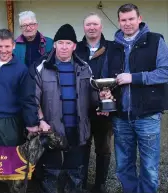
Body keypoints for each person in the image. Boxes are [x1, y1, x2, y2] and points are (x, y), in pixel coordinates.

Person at [34, 24, 109, 193]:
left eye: (68, 43)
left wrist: (102, 100)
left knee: (75, 174)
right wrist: (40, 120)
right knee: (51, 174)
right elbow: (34, 99)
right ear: (54, 44)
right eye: (60, 42)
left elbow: (92, 97)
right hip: (52, 131)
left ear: (74, 46)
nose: (64, 47)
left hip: (77, 130)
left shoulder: (84, 68)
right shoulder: (42, 68)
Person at [106, 3, 168, 193]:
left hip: (147, 115)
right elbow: (108, 75)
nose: (127, 23)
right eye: (123, 20)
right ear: (118, 21)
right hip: (121, 116)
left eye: (131, 19)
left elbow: (165, 72)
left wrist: (134, 77)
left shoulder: (156, 41)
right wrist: (107, 91)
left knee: (149, 167)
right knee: (123, 165)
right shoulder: (113, 46)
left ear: (139, 19)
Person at [0, 28, 39, 146]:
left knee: (9, 161)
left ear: (14, 45)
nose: (3, 50)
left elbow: (28, 98)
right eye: (0, 46)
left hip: (11, 121)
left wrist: (32, 123)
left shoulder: (22, 69)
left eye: (7, 46)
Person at [76, 13, 113, 193]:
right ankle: (80, 183)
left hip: (104, 108)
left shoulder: (112, 48)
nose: (92, 27)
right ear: (84, 27)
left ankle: (100, 184)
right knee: (82, 145)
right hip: (81, 107)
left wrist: (109, 99)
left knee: (103, 147)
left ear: (101, 27)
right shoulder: (76, 48)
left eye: (95, 24)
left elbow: (116, 74)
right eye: (88, 24)